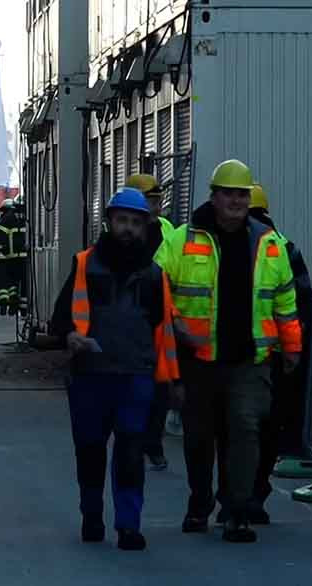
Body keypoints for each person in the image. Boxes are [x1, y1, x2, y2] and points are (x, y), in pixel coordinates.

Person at [155, 159, 302, 543]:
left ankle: (237, 511)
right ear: (214, 197)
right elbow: (155, 285)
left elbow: (285, 300)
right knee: (199, 436)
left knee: (245, 431)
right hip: (199, 358)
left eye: (242, 194)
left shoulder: (270, 244)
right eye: (229, 194)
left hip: (249, 361)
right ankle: (199, 503)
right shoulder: (183, 239)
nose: (236, 201)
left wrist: (292, 347)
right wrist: (175, 323)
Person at [50, 187, 181, 551]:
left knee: (129, 452)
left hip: (135, 376)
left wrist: (170, 381)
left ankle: (128, 525)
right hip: (90, 375)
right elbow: (59, 320)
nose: (127, 229)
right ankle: (92, 515)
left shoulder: (155, 276)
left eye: (135, 223)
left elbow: (163, 332)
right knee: (90, 450)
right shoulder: (84, 265)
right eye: (121, 220)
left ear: (145, 227)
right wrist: (70, 336)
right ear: (108, 222)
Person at [236, 182, 312, 524]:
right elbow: (303, 303)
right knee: (268, 429)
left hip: (242, 356)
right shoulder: (286, 248)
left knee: (240, 429)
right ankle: (255, 493)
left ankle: (237, 495)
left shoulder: (230, 247)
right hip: (278, 356)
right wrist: (293, 349)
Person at [125, 173, 175, 471]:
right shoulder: (125, 231)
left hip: (162, 318)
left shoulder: (168, 229)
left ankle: (152, 441)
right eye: (150, 199)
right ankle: (135, 437)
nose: (156, 205)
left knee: (162, 385)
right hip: (132, 317)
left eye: (157, 199)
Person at [0, 198, 28, 316]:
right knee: (25, 285)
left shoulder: (8, 217)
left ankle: (12, 299)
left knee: (11, 281)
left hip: (11, 257)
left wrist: (0, 249)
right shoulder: (29, 217)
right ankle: (23, 310)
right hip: (26, 258)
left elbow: (0, 236)